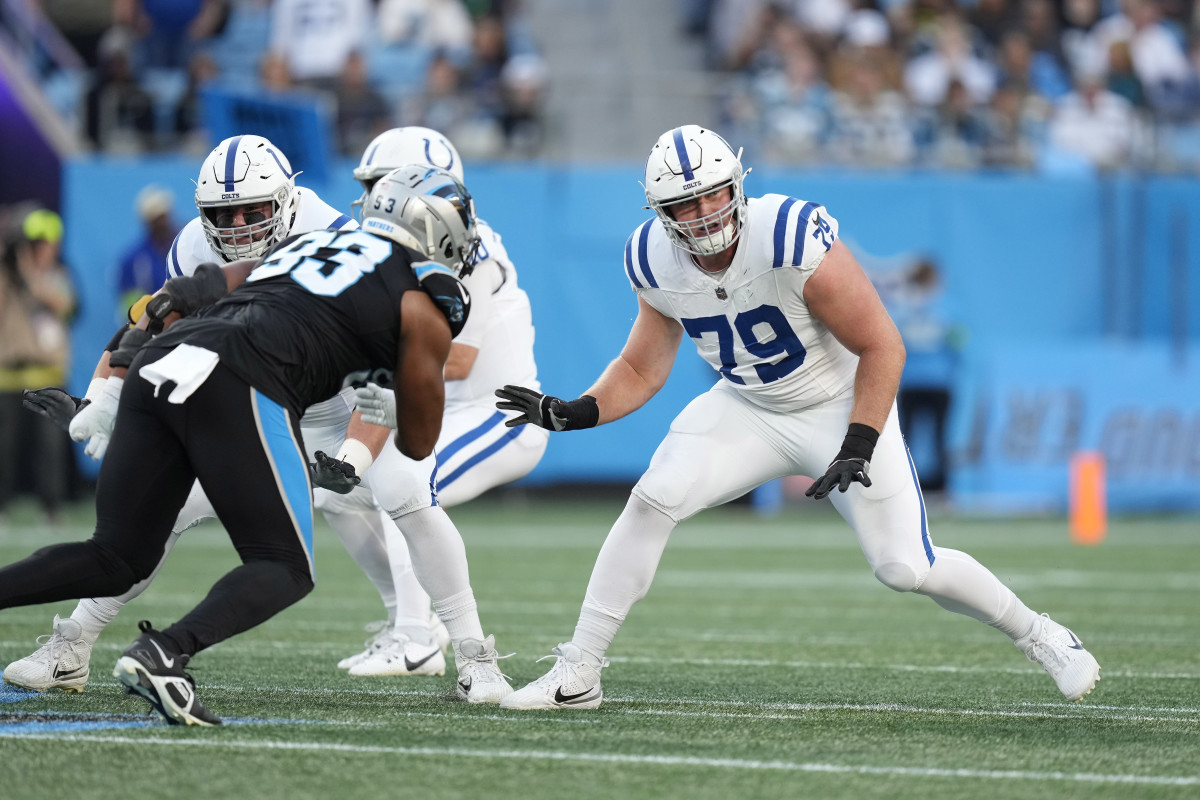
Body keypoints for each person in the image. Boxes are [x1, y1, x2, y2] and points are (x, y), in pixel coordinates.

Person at [495, 124, 1101, 710]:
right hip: (749, 406)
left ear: (738, 184)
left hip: (840, 405)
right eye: (686, 203)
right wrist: (575, 411)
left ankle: (1038, 632)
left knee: (905, 565)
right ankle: (579, 670)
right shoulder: (652, 259)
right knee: (655, 496)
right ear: (660, 211)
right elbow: (640, 367)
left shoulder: (788, 234)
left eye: (714, 192)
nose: (705, 211)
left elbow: (882, 344)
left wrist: (861, 439)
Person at [0, 167, 511, 725]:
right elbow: (418, 442)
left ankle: (466, 650)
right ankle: (163, 654)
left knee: (115, 556)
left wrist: (112, 383)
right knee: (285, 567)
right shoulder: (426, 301)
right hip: (245, 384)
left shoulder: (316, 242)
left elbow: (180, 296)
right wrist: (398, 400)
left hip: (162, 367)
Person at [3, 134, 354, 692]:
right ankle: (73, 643)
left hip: (340, 406)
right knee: (158, 524)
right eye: (223, 213)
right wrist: (103, 398)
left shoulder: (336, 238)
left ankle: (453, 646)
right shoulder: (194, 246)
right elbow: (150, 322)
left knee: (401, 499)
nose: (238, 225)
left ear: (288, 199)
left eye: (252, 210)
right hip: (254, 401)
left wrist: (360, 445)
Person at [316, 126, 547, 677]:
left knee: (405, 486)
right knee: (338, 498)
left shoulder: (471, 246)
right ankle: (403, 622)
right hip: (434, 411)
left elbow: (457, 360)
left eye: (381, 186)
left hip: (500, 414)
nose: (372, 201)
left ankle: (419, 640)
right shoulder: (387, 253)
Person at [0, 209, 77, 524]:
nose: (46, 248)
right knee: (6, 448)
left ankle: (51, 507)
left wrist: (31, 273)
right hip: (8, 375)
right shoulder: (6, 277)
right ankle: (3, 504)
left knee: (49, 448)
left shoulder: (58, 275)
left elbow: (65, 306)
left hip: (47, 375)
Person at [115, 185, 178, 320]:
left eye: (164, 216)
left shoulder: (184, 248)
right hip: (153, 327)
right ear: (147, 222)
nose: (162, 223)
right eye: (157, 218)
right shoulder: (133, 261)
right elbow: (130, 307)